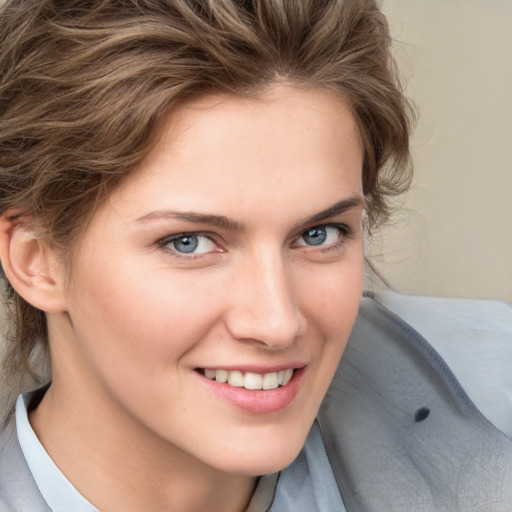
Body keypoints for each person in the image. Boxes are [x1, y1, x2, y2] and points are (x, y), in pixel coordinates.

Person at [0, 1, 510, 511]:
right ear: (36, 259)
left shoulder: (490, 396)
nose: (277, 323)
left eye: (318, 234)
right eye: (190, 243)